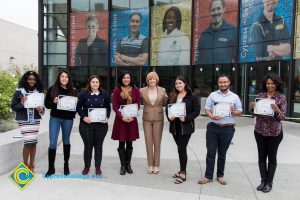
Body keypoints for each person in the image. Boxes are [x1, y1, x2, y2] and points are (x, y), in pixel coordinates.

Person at [198, 74, 242, 185]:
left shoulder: (234, 97)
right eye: (221, 82)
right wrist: (211, 116)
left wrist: (232, 111)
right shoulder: (212, 95)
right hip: (213, 127)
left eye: (225, 82)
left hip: (228, 128)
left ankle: (220, 176)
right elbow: (207, 109)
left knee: (222, 154)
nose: (223, 84)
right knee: (211, 153)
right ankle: (208, 176)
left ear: (229, 83)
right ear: (218, 83)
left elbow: (240, 112)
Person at [249, 73, 286, 193]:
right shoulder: (260, 96)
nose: (270, 85)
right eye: (268, 83)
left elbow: (282, 117)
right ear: (265, 84)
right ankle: (263, 180)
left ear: (277, 84)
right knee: (261, 157)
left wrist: (277, 110)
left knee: (272, 157)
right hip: (259, 131)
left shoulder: (281, 98)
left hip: (274, 133)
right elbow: (254, 114)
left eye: (272, 83)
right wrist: (252, 107)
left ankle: (269, 182)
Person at [166, 76, 200, 184]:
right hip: (174, 127)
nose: (178, 85)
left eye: (180, 83)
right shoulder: (172, 96)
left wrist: (186, 118)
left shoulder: (192, 96)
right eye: (176, 84)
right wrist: (169, 117)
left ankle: (183, 173)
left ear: (184, 84)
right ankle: (181, 169)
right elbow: (168, 109)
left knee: (182, 148)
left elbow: (196, 111)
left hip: (186, 127)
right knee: (180, 149)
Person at [44, 70, 77, 177]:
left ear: (69, 79)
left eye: (66, 77)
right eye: (62, 76)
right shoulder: (52, 89)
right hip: (55, 118)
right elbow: (47, 105)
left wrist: (74, 108)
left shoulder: (73, 90)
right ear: (59, 78)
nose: (64, 78)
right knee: (53, 142)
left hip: (68, 119)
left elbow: (76, 106)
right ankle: (51, 168)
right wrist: (53, 102)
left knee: (66, 141)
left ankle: (66, 165)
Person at [77, 75, 111, 175]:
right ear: (89, 83)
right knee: (88, 146)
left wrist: (106, 117)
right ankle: (87, 166)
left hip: (101, 125)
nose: (95, 84)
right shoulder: (84, 94)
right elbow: (78, 107)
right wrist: (84, 117)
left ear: (99, 83)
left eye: (97, 82)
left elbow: (108, 107)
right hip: (86, 124)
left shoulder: (104, 94)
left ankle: (97, 167)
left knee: (98, 146)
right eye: (93, 82)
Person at [11, 71, 44, 173]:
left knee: (33, 142)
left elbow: (42, 110)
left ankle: (32, 166)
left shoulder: (39, 92)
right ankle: (25, 165)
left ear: (36, 80)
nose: (32, 81)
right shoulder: (19, 92)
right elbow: (14, 107)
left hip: (35, 120)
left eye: (34, 79)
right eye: (30, 79)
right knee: (27, 143)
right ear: (26, 80)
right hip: (24, 120)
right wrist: (22, 102)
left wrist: (40, 110)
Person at [111, 71, 140, 175]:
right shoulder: (117, 90)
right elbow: (114, 106)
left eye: (128, 78)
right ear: (121, 79)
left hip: (131, 120)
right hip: (121, 121)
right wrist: (122, 116)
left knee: (130, 143)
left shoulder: (136, 90)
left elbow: (138, 105)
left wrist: (131, 116)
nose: (126, 79)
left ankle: (128, 165)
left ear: (131, 79)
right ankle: (123, 165)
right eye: (124, 78)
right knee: (121, 143)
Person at [140, 72, 168, 174]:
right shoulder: (142, 90)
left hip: (159, 118)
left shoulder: (162, 90)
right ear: (147, 80)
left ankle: (156, 165)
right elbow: (135, 101)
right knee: (148, 142)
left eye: (154, 79)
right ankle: (150, 165)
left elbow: (167, 101)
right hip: (146, 118)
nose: (152, 81)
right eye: (150, 79)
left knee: (157, 142)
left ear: (157, 80)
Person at [196, 0, 236, 64]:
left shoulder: (232, 31)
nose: (216, 12)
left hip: (225, 73)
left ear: (224, 9)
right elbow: (198, 61)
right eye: (213, 10)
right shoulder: (204, 35)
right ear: (210, 12)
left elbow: (237, 59)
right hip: (207, 73)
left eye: (218, 8)